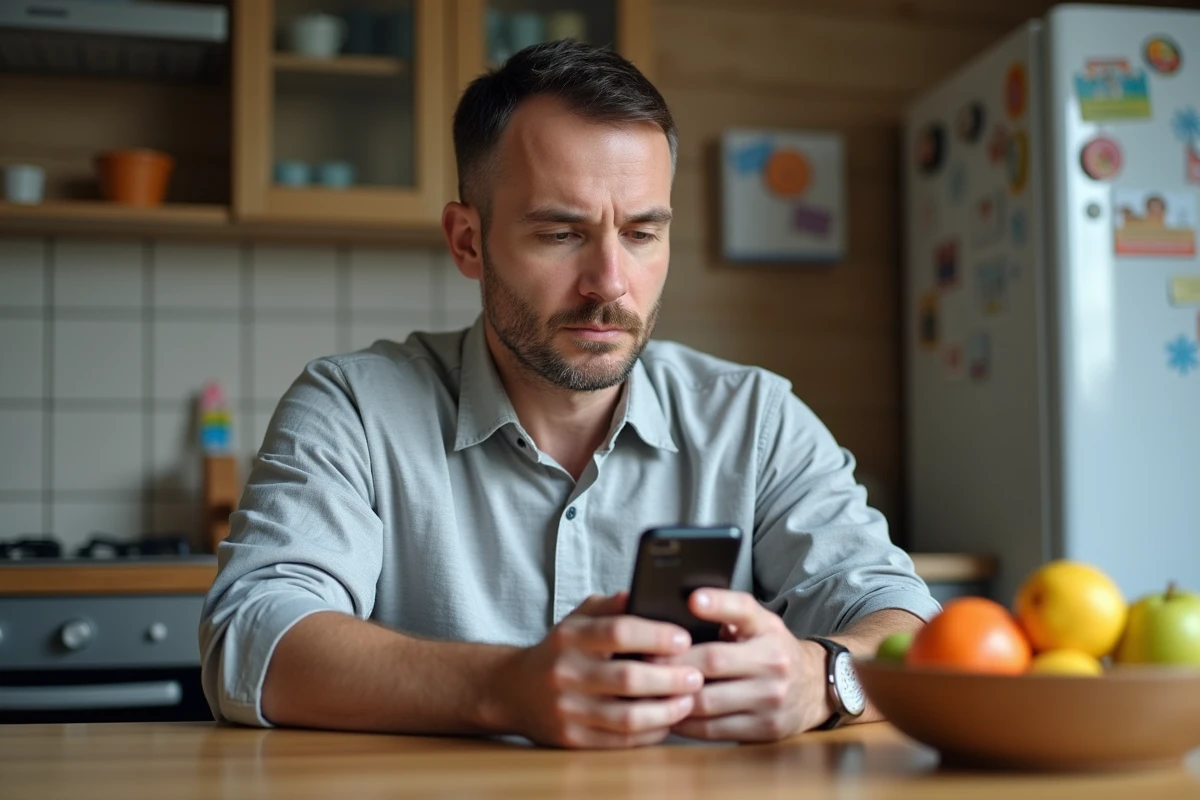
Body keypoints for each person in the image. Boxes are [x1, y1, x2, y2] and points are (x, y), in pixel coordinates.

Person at [199, 40, 939, 749]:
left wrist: (823, 678)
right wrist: (502, 689)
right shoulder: (353, 408)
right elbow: (252, 636)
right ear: (468, 241)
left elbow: (906, 627)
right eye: (561, 233)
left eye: (643, 233)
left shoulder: (755, 419)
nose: (610, 282)